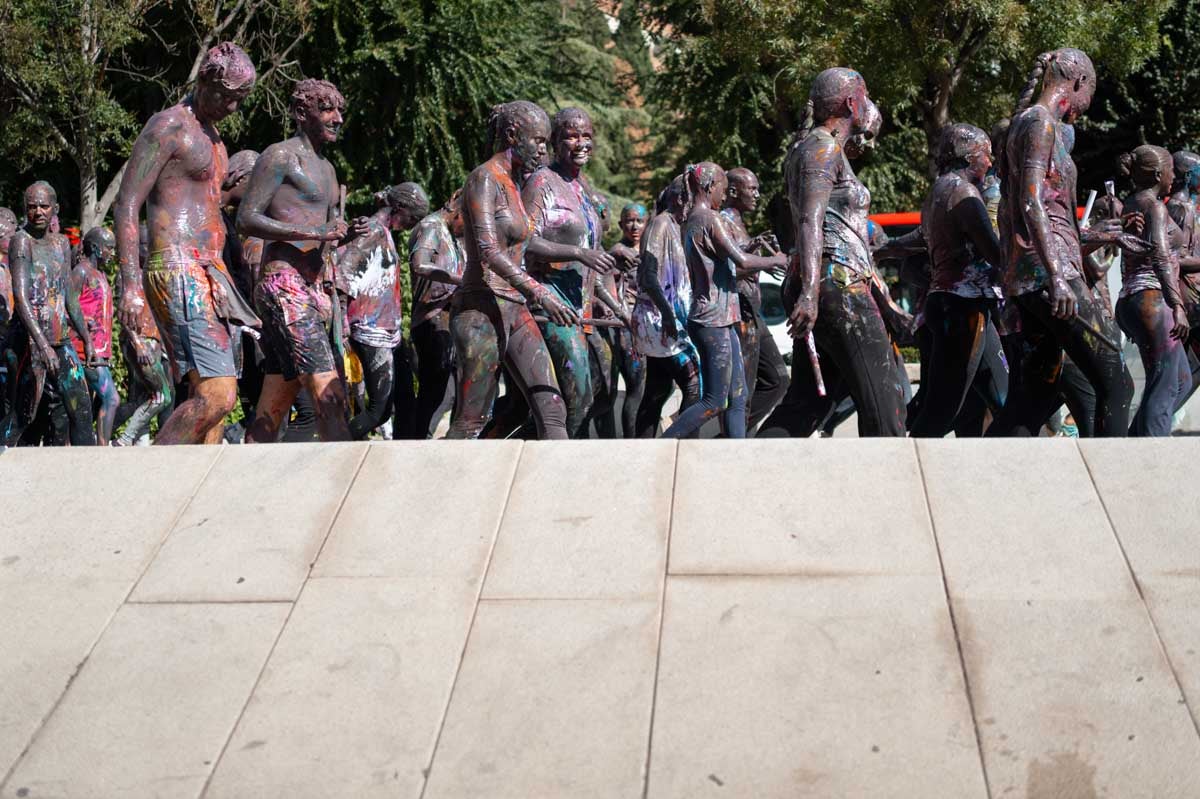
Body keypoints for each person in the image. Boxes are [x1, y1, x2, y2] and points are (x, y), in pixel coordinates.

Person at [114, 41, 257, 445]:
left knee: (207, 401)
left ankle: (195, 496)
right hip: (177, 268)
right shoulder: (169, 126)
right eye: (227, 97)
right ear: (205, 81)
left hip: (210, 274)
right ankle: (152, 478)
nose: (233, 108)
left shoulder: (215, 141)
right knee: (219, 395)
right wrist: (129, 287)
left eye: (240, 100)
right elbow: (126, 204)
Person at [987, 48, 1133, 437]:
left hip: (1028, 275)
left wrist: (1106, 235)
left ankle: (984, 480)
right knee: (1117, 382)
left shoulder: (1023, 124)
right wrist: (1056, 275)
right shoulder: (1041, 123)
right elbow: (1031, 201)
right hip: (1049, 273)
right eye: (1090, 97)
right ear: (1080, 83)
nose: (1083, 109)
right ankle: (1117, 482)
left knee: (1033, 396)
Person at [761, 68, 905, 438]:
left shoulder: (822, 148)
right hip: (835, 285)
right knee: (886, 399)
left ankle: (748, 473)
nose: (869, 102)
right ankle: (888, 486)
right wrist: (809, 292)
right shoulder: (821, 147)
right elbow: (810, 221)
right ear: (852, 102)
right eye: (866, 94)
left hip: (833, 281)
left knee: (807, 405)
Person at [238, 78, 365, 443]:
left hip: (312, 289)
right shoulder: (280, 155)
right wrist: (316, 233)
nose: (338, 118)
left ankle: (244, 476)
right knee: (330, 394)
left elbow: (323, 232)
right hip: (283, 286)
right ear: (300, 113)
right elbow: (246, 218)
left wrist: (344, 235)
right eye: (327, 109)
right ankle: (344, 488)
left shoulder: (327, 169)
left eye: (340, 110)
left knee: (275, 402)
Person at [447, 100, 574, 439]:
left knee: (552, 408)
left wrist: (580, 253)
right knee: (471, 418)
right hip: (481, 309)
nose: (544, 151)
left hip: (515, 309)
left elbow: (527, 242)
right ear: (513, 135)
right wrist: (541, 292)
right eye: (539, 141)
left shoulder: (515, 185)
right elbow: (488, 251)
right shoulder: (484, 179)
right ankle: (442, 486)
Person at [881, 124, 1008, 437]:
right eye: (985, 156)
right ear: (968, 158)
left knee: (1004, 396)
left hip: (953, 303)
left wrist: (888, 249)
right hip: (963, 307)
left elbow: (920, 239)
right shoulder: (964, 194)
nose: (990, 163)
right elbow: (994, 251)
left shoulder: (939, 190)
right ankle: (907, 470)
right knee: (942, 407)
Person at [661, 162, 785, 439]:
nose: (724, 195)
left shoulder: (694, 219)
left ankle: (734, 456)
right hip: (711, 320)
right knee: (715, 400)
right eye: (723, 189)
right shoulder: (709, 218)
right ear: (709, 187)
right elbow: (740, 260)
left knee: (738, 396)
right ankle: (664, 444)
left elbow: (728, 260)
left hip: (724, 318)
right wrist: (775, 260)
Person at [521, 107, 616, 437]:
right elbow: (524, 242)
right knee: (578, 396)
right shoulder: (541, 182)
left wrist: (616, 302)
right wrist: (578, 252)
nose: (581, 143)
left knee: (603, 388)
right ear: (554, 142)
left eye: (587, 136)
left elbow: (592, 252)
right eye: (572, 136)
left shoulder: (583, 187)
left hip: (582, 307)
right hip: (551, 302)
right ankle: (550, 462)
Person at [6, 181, 96, 446]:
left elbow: (69, 296)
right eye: (32, 206)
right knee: (23, 417)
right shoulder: (21, 242)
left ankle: (90, 473)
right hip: (31, 344)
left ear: (55, 208)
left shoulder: (61, 243)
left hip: (60, 342)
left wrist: (87, 339)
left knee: (80, 409)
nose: (38, 212)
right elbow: (21, 298)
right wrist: (42, 345)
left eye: (44, 206)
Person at [339, 182, 428, 439]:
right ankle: (338, 442)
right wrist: (344, 326)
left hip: (387, 330)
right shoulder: (373, 231)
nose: (413, 225)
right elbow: (344, 275)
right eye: (413, 218)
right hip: (369, 329)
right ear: (399, 208)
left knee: (404, 397)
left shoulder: (385, 233)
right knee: (380, 410)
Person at [1115, 145, 1191, 435]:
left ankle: (1136, 444)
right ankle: (1152, 458)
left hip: (1135, 300)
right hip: (1153, 301)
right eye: (1171, 168)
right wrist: (1178, 306)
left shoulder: (1132, 202)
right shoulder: (1155, 207)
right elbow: (1159, 255)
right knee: (1165, 384)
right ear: (1159, 173)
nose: (1174, 175)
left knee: (1180, 380)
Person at [632, 175, 700, 437]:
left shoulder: (675, 225)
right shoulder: (660, 224)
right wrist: (669, 315)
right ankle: (680, 441)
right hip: (659, 319)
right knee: (693, 382)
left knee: (658, 389)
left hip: (665, 319)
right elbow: (649, 276)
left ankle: (644, 446)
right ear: (681, 198)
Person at [720, 168, 788, 431]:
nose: (757, 195)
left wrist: (755, 248)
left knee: (778, 379)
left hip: (752, 314)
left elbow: (743, 257)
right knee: (741, 391)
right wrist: (763, 263)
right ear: (734, 191)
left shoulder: (739, 222)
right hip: (738, 314)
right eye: (752, 189)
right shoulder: (723, 221)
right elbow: (727, 269)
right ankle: (732, 444)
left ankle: (732, 437)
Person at [408, 190, 465, 438]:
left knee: (447, 392)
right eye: (468, 218)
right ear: (453, 202)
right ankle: (415, 441)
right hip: (431, 321)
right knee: (434, 392)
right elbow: (419, 264)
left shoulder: (450, 234)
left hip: (445, 319)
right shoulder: (432, 227)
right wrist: (459, 281)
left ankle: (421, 438)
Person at [600, 202, 647, 437]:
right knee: (635, 388)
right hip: (627, 327)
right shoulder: (618, 252)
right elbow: (603, 282)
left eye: (639, 221)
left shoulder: (649, 250)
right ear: (620, 224)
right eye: (629, 221)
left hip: (648, 326)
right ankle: (631, 440)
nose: (634, 226)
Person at [71, 227, 119, 444]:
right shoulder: (81, 272)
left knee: (89, 405)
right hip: (84, 349)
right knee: (111, 398)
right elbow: (67, 305)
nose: (112, 253)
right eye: (109, 248)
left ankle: (84, 448)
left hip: (100, 350)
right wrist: (85, 331)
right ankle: (102, 451)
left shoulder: (100, 274)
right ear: (95, 248)